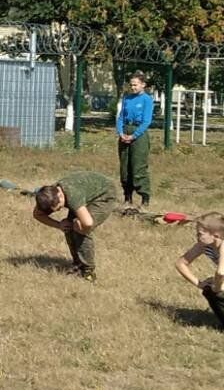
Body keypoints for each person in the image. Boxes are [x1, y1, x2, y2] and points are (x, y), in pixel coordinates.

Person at [31, 171, 118, 280]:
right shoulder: (49, 195)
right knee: (69, 226)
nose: (59, 210)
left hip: (104, 194)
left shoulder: (72, 196)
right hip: (85, 193)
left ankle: (88, 271)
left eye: (59, 208)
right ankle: (78, 264)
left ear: (60, 196)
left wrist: (79, 226)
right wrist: (59, 225)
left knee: (80, 227)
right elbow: (37, 214)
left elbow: (88, 223)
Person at [116, 71, 153, 207]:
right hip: (125, 131)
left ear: (143, 85)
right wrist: (120, 132)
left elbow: (146, 121)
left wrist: (133, 136)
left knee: (138, 167)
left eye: (136, 85)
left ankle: (144, 198)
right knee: (125, 167)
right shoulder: (127, 98)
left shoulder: (146, 99)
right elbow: (120, 118)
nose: (133, 88)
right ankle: (127, 196)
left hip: (139, 134)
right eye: (131, 85)